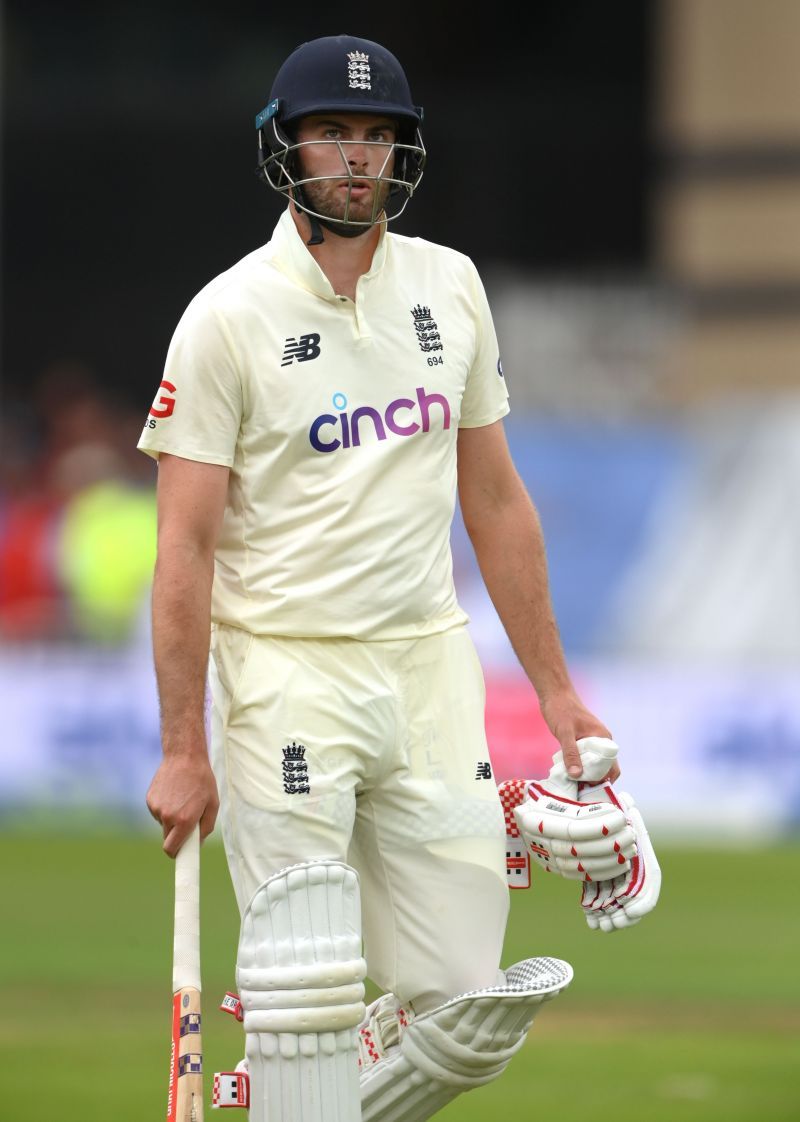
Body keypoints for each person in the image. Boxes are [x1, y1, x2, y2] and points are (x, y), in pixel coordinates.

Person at [139, 34, 623, 1122]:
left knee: (464, 1006)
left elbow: (493, 501)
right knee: (303, 996)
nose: (355, 158)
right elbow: (184, 551)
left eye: (375, 136)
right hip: (284, 675)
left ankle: (291, 1086)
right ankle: (292, 1068)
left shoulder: (448, 286)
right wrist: (181, 746)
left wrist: (553, 690)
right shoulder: (227, 316)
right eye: (332, 134)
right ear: (287, 150)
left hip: (427, 667)